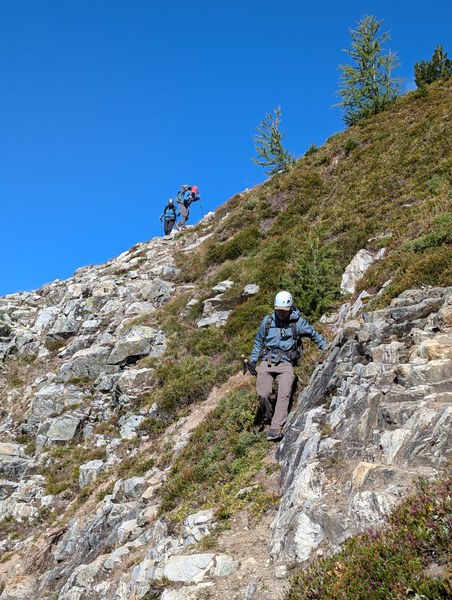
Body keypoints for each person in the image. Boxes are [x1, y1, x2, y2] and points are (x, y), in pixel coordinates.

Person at [248, 290, 327, 442]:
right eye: (278, 310)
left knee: (284, 393)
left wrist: (327, 348)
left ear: (290, 308)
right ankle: (268, 416)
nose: (281, 313)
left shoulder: (298, 323)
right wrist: (253, 361)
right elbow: (258, 342)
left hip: (286, 364)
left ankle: (275, 427)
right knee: (263, 393)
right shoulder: (267, 321)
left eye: (284, 311)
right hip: (267, 361)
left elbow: (314, 335)